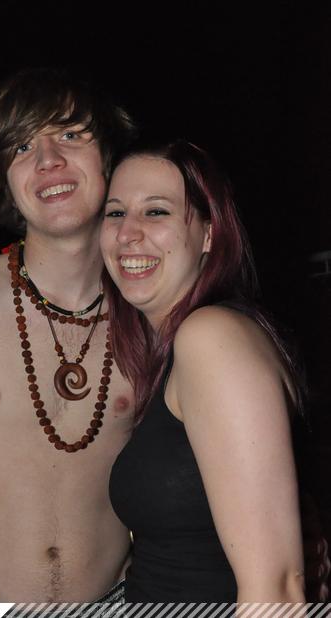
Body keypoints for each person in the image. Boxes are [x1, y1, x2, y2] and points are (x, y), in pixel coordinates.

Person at [0, 67, 137, 603]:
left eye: (70, 134)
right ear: (5, 179)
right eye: (21, 146)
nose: (48, 160)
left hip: (116, 605)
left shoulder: (152, 313)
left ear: (109, 158)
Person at [100, 139, 307, 602]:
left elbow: (277, 589)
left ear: (209, 234)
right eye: (115, 213)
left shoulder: (211, 337)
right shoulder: (173, 352)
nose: (127, 233)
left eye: (156, 212)